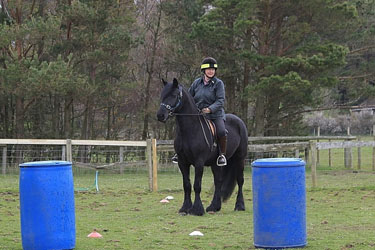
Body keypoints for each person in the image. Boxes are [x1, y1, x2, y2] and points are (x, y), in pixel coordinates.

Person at [172, 57, 227, 166]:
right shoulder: (197, 83)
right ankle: (179, 152)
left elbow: (220, 100)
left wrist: (210, 109)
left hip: (214, 115)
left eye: (213, 69)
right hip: (198, 114)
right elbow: (189, 97)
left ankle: (221, 155)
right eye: (208, 69)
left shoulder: (218, 84)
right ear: (204, 71)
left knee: (221, 131)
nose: (211, 71)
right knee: (183, 128)